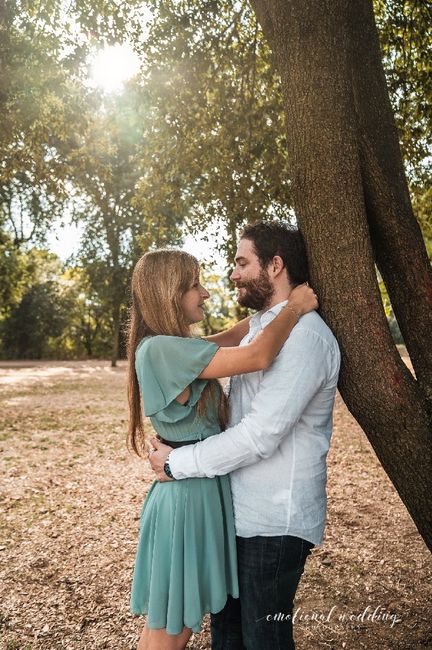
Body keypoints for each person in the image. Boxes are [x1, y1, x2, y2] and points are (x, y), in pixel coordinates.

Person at [149, 221, 341, 650]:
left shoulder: (306, 337)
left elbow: (259, 435)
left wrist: (176, 463)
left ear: (275, 266)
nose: (232, 274)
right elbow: (223, 350)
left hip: (274, 522)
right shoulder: (261, 328)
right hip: (234, 514)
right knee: (228, 639)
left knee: (263, 640)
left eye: (241, 263)